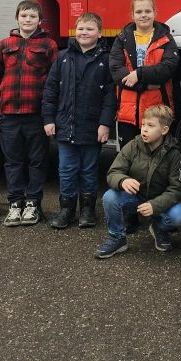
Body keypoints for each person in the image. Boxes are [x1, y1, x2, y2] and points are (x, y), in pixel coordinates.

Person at [42, 11, 117, 229]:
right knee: (66, 169)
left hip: (92, 128)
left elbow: (110, 97)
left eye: (89, 28)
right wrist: (49, 118)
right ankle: (66, 210)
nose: (84, 32)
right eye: (81, 28)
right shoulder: (63, 57)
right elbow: (50, 90)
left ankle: (87, 210)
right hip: (66, 126)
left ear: (100, 33)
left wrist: (105, 124)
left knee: (89, 169)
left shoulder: (106, 60)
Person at [0, 0, 58, 226]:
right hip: (9, 115)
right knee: (13, 162)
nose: (28, 20)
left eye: (33, 16)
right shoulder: (4, 44)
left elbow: (55, 82)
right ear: (17, 18)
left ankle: (33, 204)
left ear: (39, 20)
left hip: (36, 114)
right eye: (24, 16)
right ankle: (15, 203)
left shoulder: (49, 45)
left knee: (37, 161)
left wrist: (50, 115)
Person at [95, 105, 181, 259]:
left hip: (160, 201)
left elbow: (177, 189)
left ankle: (160, 229)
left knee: (178, 215)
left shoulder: (174, 153)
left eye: (150, 126)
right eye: (143, 124)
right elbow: (113, 172)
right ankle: (117, 239)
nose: (144, 129)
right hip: (136, 198)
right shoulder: (133, 145)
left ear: (164, 130)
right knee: (110, 197)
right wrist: (123, 180)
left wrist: (155, 205)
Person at [110, 0, 179, 146]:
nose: (143, 15)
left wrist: (138, 74)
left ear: (155, 13)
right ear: (132, 15)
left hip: (157, 112)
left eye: (148, 11)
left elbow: (167, 68)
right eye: (139, 11)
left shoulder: (166, 39)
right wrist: (145, 86)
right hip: (128, 113)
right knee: (129, 160)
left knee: (158, 160)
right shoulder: (122, 39)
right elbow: (116, 70)